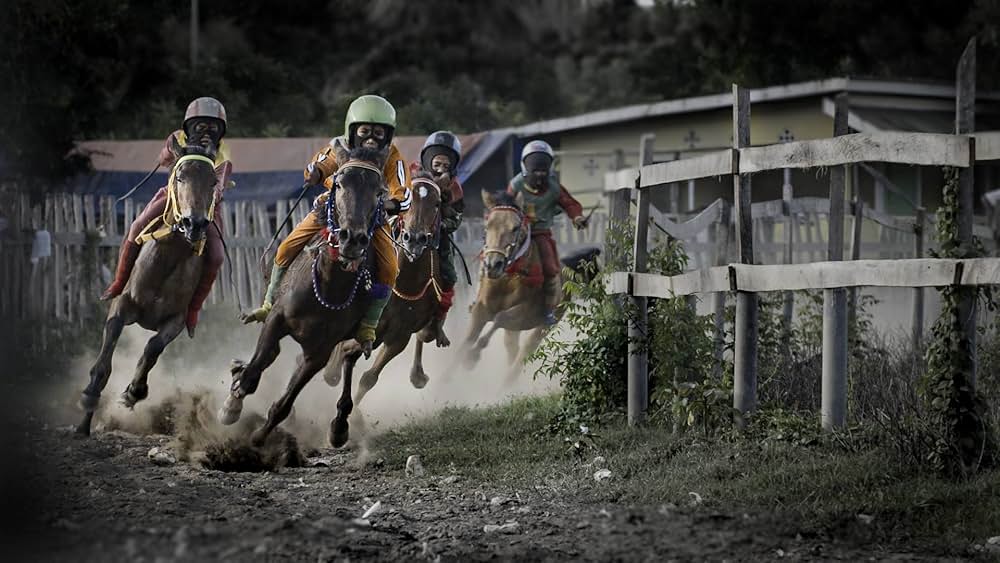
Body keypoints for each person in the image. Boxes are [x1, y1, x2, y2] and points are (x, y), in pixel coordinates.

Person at [243, 95, 411, 348]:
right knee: (286, 247)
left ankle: (368, 326)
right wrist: (315, 173)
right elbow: (320, 164)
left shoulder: (392, 157)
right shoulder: (340, 147)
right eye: (365, 130)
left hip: (371, 216)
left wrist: (388, 204)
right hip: (333, 208)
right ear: (352, 130)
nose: (371, 137)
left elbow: (404, 192)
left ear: (388, 135)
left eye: (379, 132)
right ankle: (269, 304)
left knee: (389, 269)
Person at [100, 96, 232, 337]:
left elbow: (221, 181)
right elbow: (163, 159)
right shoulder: (177, 138)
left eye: (212, 127)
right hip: (174, 196)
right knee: (137, 226)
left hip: (207, 204)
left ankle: (192, 310)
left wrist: (214, 191)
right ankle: (120, 283)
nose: (206, 131)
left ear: (220, 130)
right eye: (201, 125)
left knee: (216, 256)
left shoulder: (224, 152)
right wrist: (171, 150)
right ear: (190, 125)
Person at [505, 139, 588, 326]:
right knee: (495, 257)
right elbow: (505, 204)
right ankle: (482, 299)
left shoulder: (553, 187)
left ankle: (549, 310)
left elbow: (569, 203)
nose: (540, 173)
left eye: (543, 169)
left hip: (541, 234)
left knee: (551, 268)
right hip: (517, 233)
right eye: (535, 168)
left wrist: (577, 218)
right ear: (525, 166)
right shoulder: (516, 185)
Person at [409, 130, 464, 344]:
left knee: (449, 275)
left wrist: (442, 224)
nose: (441, 168)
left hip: (435, 236)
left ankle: (437, 323)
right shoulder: (411, 174)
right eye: (437, 163)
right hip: (407, 229)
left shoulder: (455, 188)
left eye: (446, 166)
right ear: (427, 160)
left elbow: (457, 218)